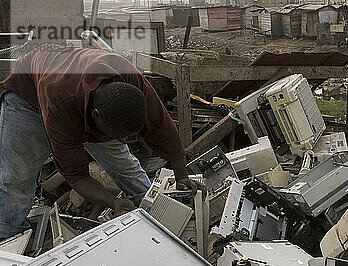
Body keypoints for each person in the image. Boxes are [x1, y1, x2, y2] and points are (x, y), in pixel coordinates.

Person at [0, 46, 203, 240]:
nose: (123, 141)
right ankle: (9, 235)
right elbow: (77, 176)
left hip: (81, 95)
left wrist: (182, 176)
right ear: (97, 117)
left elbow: (163, 129)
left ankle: (153, 209)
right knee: (17, 175)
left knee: (124, 163)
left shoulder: (130, 82)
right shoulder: (60, 107)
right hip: (28, 95)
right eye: (119, 135)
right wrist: (113, 202)